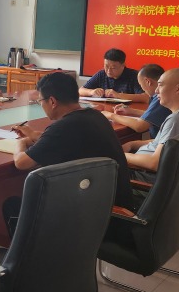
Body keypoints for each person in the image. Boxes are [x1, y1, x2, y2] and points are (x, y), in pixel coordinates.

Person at [9, 73, 135, 219]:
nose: (41, 105)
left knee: (12, 205)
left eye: (40, 101)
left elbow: (22, 162)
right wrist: (33, 134)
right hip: (114, 206)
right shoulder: (95, 116)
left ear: (52, 101)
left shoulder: (63, 127)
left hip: (92, 214)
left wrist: (20, 143)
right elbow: (64, 139)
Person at [123, 67, 179, 184]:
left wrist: (121, 155)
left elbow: (154, 163)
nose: (156, 91)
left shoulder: (177, 119)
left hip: (143, 177)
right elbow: (162, 142)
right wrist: (132, 144)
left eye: (160, 85)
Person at [101, 63, 171, 138]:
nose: (142, 88)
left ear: (148, 81)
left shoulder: (160, 98)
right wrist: (131, 111)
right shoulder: (163, 95)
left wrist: (111, 116)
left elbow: (139, 126)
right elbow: (154, 115)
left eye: (141, 85)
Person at [79, 48, 147, 103]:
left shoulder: (134, 76)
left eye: (113, 68)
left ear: (123, 65)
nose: (108, 71)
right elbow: (80, 90)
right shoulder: (101, 74)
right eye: (106, 66)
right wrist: (92, 92)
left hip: (127, 111)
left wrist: (118, 95)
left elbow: (145, 97)